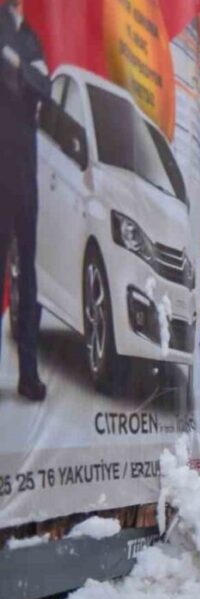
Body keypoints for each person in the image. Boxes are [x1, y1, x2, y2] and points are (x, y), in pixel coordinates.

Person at [0, 0, 47, 401]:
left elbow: (43, 87)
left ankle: (28, 374)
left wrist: (15, 67)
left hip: (26, 175)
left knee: (27, 275)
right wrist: (21, 71)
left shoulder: (30, 37)